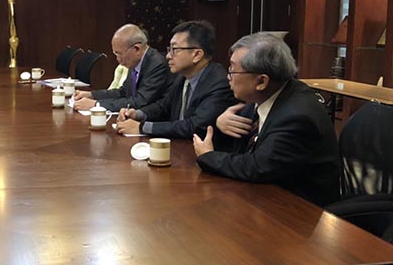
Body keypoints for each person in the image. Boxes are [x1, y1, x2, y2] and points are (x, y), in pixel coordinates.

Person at [193, 32, 340, 207]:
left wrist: (209, 157)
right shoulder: (266, 95)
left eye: (233, 70)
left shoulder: (297, 116)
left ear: (261, 81)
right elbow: (239, 146)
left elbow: (258, 166)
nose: (228, 76)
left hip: (300, 210)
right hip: (264, 195)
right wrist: (220, 124)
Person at [115, 20, 234, 139]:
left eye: (175, 49)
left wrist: (142, 127)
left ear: (197, 55)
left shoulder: (218, 84)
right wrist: (137, 114)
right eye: (169, 49)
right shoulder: (182, 77)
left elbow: (194, 126)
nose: (168, 56)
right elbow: (163, 106)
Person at [74, 24, 172, 112]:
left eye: (119, 54)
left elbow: (140, 102)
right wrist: (91, 95)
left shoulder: (156, 65)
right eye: (115, 54)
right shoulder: (135, 61)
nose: (118, 59)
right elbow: (123, 92)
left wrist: (97, 105)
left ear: (136, 49)